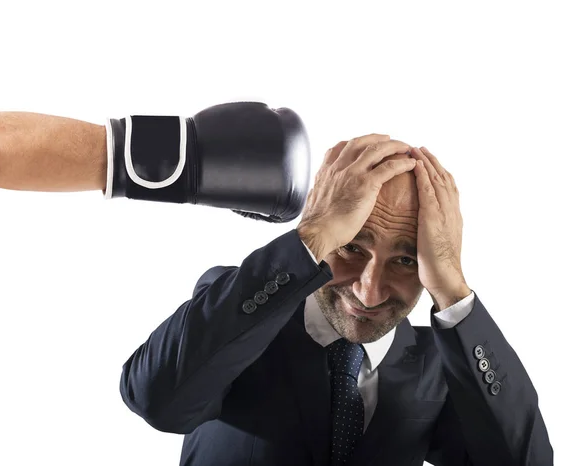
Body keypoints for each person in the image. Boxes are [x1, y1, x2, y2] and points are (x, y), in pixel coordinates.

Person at [118, 136, 553, 465]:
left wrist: (453, 290)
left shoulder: (439, 364)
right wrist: (309, 238)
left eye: (405, 260)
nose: (369, 290)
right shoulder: (241, 310)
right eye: (351, 247)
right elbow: (156, 402)